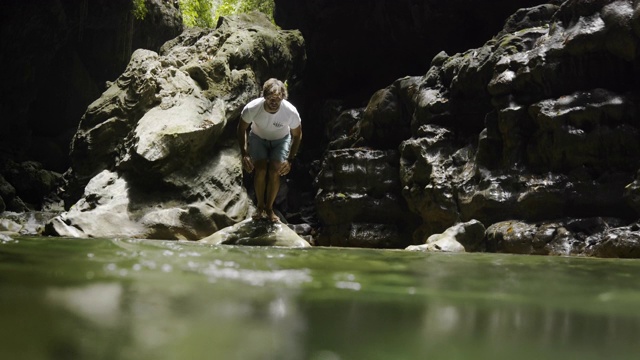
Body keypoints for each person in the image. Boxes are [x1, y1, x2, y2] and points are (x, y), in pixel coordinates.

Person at [237, 78, 302, 222]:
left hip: (281, 140)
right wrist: (244, 153)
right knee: (260, 170)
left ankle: (269, 209)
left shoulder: (290, 111)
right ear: (264, 97)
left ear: (283, 98)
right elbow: (241, 129)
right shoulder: (252, 108)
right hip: (258, 137)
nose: (274, 103)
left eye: (277, 100)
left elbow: (297, 135)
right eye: (270, 99)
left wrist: (290, 159)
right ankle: (260, 207)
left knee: (274, 171)